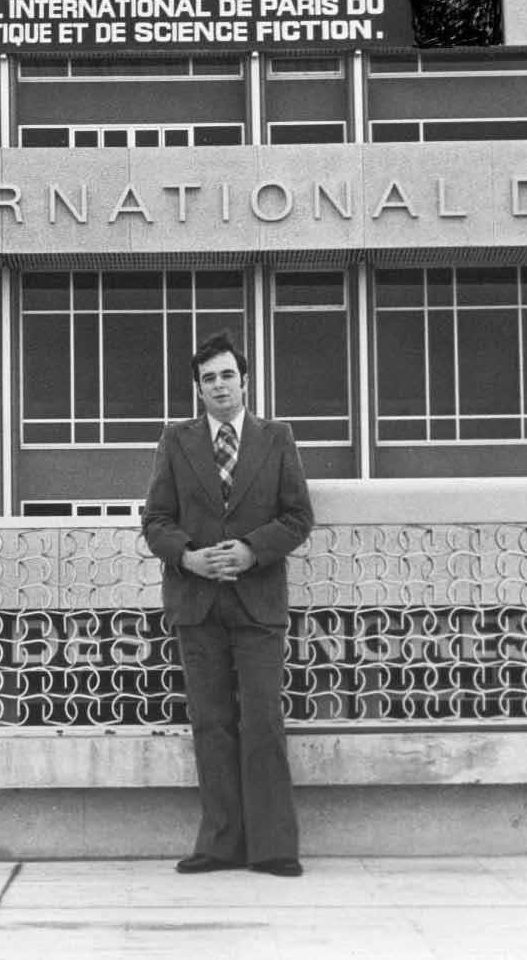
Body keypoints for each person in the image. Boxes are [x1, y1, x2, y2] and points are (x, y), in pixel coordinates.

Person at [142, 329, 315, 877]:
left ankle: (273, 848)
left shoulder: (276, 438)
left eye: (227, 375)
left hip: (258, 601)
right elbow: (155, 521)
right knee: (211, 722)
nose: (219, 385)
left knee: (262, 719)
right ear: (198, 388)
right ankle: (219, 844)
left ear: (245, 381)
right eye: (208, 378)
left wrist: (250, 550)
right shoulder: (175, 441)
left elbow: (297, 517)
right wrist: (188, 557)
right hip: (196, 601)